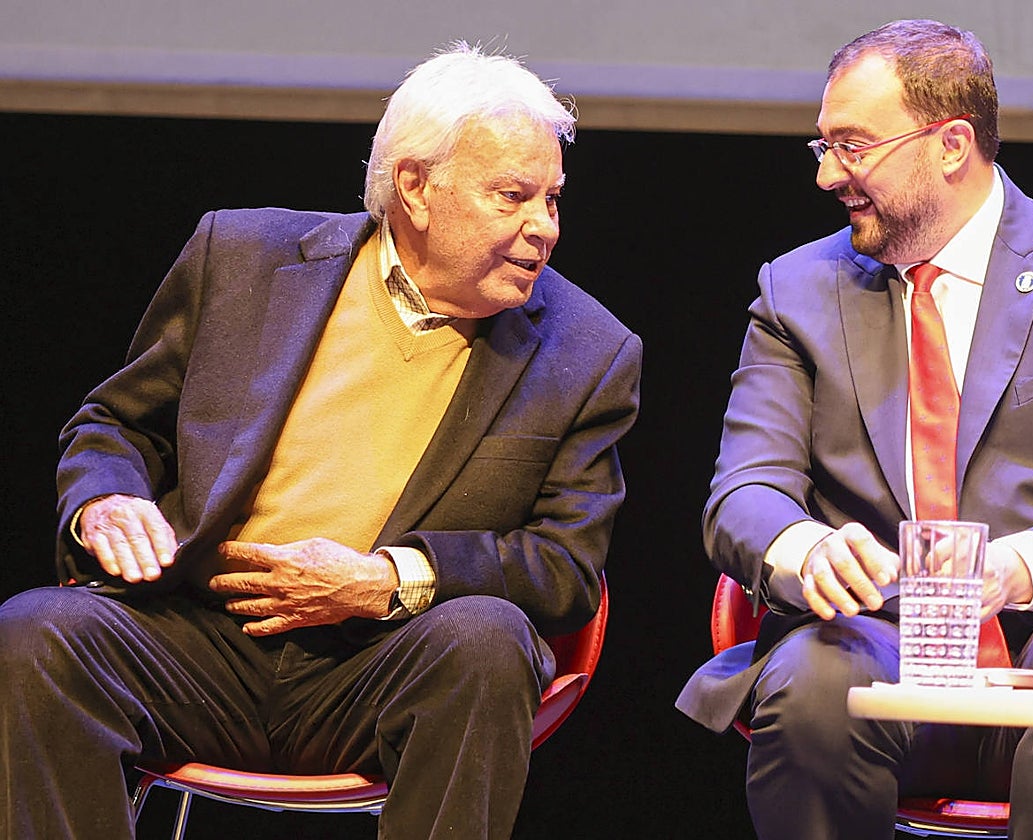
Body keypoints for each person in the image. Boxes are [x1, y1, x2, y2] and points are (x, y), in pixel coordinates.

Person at [0, 42, 641, 839]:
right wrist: (104, 498)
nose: (543, 227)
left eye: (552, 198)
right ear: (415, 187)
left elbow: (564, 566)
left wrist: (385, 580)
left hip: (381, 661)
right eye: (512, 196)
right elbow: (118, 424)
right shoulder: (241, 259)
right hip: (199, 640)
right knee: (36, 634)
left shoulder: (588, 351)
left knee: (487, 641)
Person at [677, 18, 1033, 840]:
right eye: (822, 147)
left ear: (950, 145)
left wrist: (1009, 572)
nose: (826, 176)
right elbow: (743, 494)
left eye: (852, 146)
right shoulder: (796, 293)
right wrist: (807, 549)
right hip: (882, 652)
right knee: (816, 675)